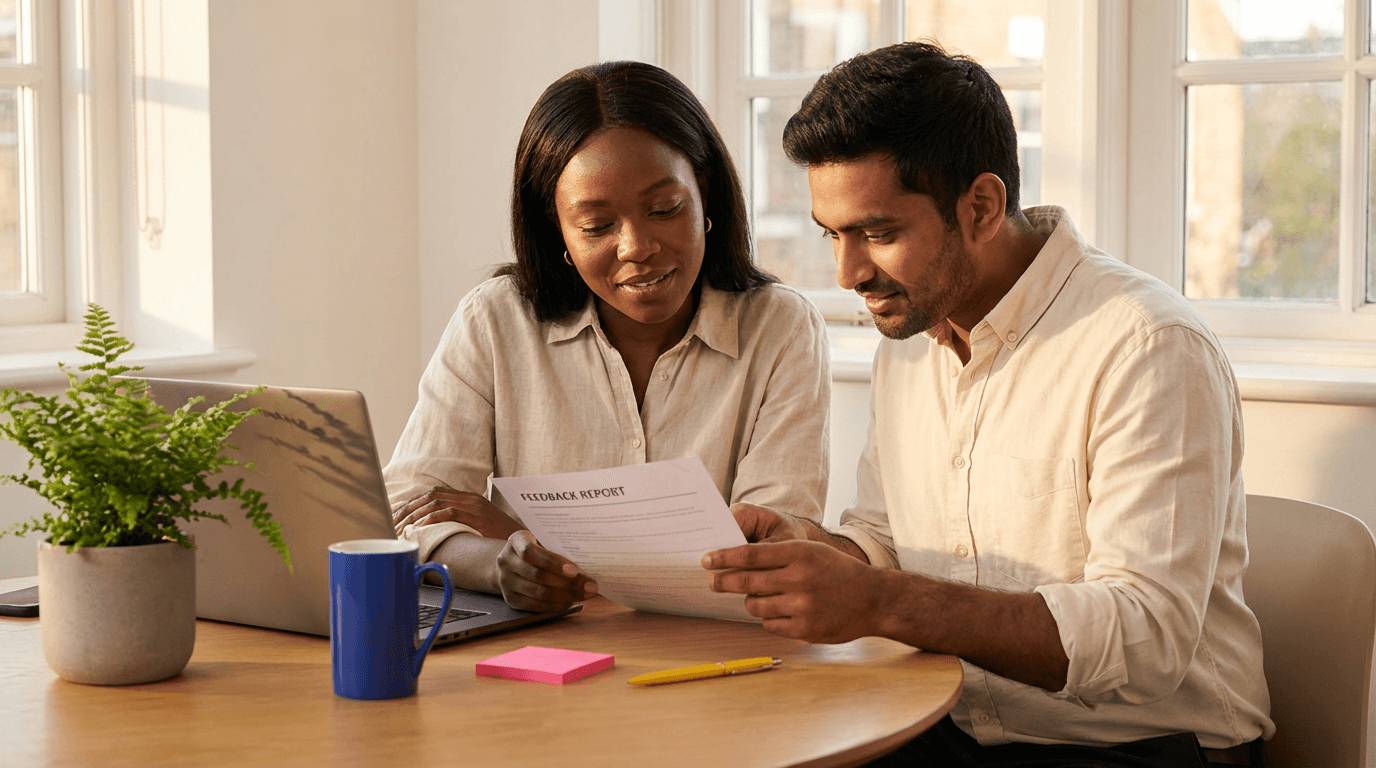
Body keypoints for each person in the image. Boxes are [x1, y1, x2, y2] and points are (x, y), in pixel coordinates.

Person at [702, 42, 1273, 767]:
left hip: (1146, 746)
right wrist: (817, 552)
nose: (848, 273)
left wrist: (878, 601)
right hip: (958, 727)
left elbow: (1145, 637)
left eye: (878, 233)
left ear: (981, 206)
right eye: (834, 235)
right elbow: (889, 539)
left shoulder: (1148, 346)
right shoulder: (908, 334)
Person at [385, 61, 830, 615]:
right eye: (597, 226)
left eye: (665, 209)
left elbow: (770, 548)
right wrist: (501, 564)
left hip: (719, 660)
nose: (636, 246)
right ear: (558, 231)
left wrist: (521, 534)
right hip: (543, 659)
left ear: (705, 195)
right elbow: (406, 513)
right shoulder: (496, 320)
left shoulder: (781, 328)